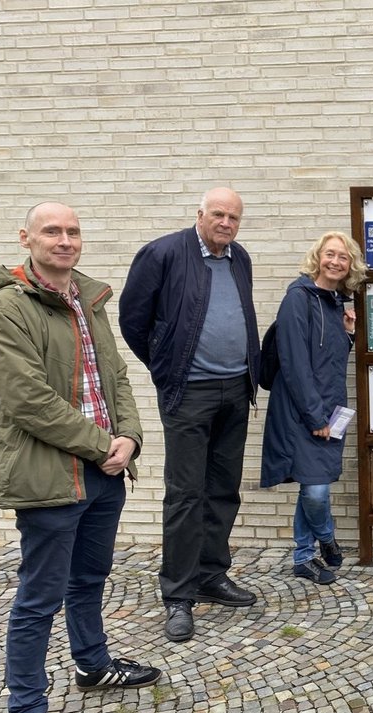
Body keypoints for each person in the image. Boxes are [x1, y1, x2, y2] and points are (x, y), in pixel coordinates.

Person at [0, 202, 162, 713]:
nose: (65, 240)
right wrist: (102, 445)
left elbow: (117, 378)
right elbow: (27, 400)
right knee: (39, 597)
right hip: (49, 472)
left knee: (89, 577)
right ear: (26, 238)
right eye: (52, 231)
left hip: (104, 471)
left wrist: (129, 437)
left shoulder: (89, 300)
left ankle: (92, 663)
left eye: (73, 231)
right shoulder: (7, 309)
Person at [119, 187, 260, 643]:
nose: (226, 223)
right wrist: (167, 367)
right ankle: (178, 594)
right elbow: (132, 319)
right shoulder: (162, 253)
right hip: (189, 392)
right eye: (218, 214)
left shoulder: (239, 258)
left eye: (233, 217)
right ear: (199, 214)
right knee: (185, 493)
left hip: (236, 388)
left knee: (223, 489)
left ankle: (211, 575)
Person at [260, 232, 363, 585]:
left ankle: (304, 558)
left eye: (343, 257)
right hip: (301, 412)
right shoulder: (297, 300)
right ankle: (327, 539)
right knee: (315, 489)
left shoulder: (336, 304)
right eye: (329, 254)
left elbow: (329, 362)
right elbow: (295, 363)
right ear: (317, 257)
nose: (335, 261)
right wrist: (315, 416)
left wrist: (348, 335)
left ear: (350, 266)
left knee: (313, 484)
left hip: (330, 408)